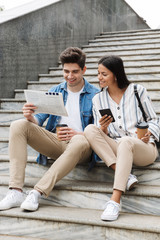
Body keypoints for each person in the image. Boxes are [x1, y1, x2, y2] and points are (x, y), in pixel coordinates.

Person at [0, 47, 99, 211]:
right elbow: (39, 120)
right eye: (66, 71)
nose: (70, 76)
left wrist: (79, 133)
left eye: (75, 71)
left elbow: (100, 131)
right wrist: (30, 116)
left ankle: (37, 192)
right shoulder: (56, 90)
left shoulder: (96, 94)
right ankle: (16, 191)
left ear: (84, 70)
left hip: (83, 146)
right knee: (18, 125)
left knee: (79, 140)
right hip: (57, 142)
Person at [84, 55, 160, 221]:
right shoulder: (98, 99)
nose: (99, 78)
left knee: (126, 141)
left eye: (104, 74)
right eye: (98, 73)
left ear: (116, 74)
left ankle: (115, 201)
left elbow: (154, 119)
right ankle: (124, 174)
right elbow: (102, 136)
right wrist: (103, 127)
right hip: (118, 147)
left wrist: (149, 133)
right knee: (90, 129)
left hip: (144, 148)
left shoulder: (137, 91)